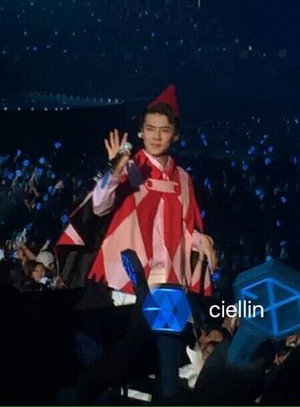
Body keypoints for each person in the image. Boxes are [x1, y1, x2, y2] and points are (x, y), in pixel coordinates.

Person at [87, 84, 217, 297]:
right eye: (150, 129)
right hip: (129, 281)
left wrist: (202, 240)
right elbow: (99, 206)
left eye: (164, 131)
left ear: (175, 135)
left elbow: (183, 228)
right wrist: (115, 170)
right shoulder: (131, 169)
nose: (156, 137)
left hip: (171, 278)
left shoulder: (183, 178)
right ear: (141, 132)